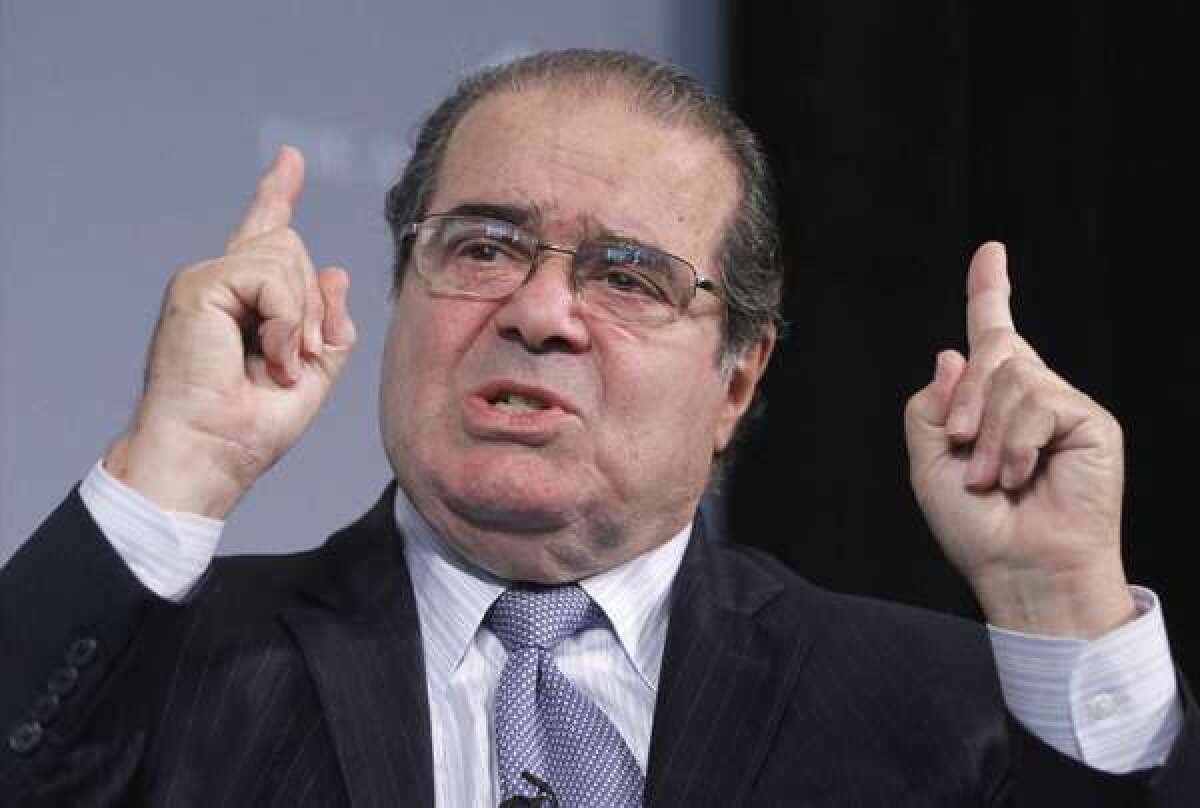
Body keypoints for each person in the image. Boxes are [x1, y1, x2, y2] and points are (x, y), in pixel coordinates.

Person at [0, 48, 1194, 806]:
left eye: (629, 276)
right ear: (400, 294)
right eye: (481, 246)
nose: (539, 311)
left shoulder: (940, 707)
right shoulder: (164, 666)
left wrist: (1061, 616)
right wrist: (176, 467)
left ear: (736, 380)